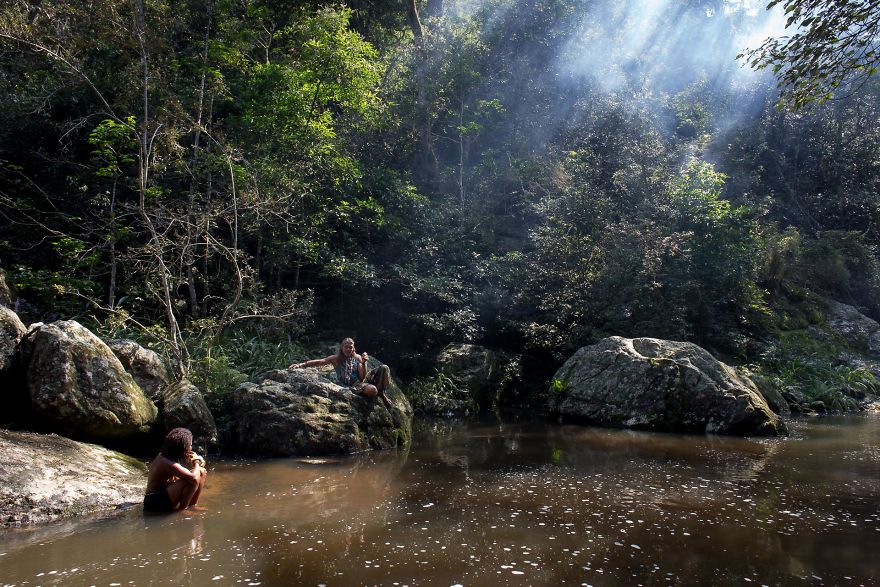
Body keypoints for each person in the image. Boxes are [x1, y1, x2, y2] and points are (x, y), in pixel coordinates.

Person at [289, 337, 393, 409]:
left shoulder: (357, 358)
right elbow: (320, 361)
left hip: (362, 379)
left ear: (353, 348)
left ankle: (382, 393)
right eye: (346, 347)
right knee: (373, 391)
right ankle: (377, 391)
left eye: (350, 347)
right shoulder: (336, 359)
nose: (348, 349)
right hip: (354, 384)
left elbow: (362, 377)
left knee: (384, 367)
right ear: (341, 347)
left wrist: (364, 362)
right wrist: (302, 364)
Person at [143, 427, 208, 513]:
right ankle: (182, 510)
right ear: (182, 448)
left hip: (163, 494)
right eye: (190, 445)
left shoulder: (170, 455)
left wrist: (196, 464)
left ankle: (192, 506)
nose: (191, 448)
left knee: (201, 472)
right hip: (154, 502)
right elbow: (193, 478)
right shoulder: (166, 462)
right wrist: (196, 462)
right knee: (192, 479)